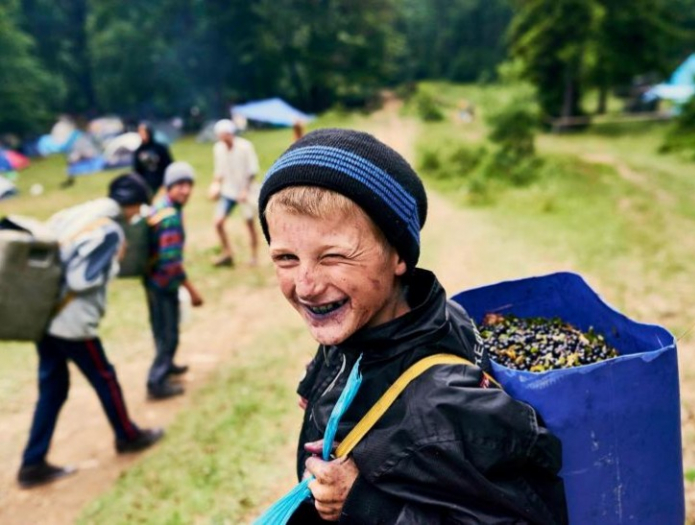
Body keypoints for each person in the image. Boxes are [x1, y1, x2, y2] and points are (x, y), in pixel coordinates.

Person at [257, 129, 569, 524]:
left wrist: (366, 503)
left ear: (399, 256)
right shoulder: (385, 317)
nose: (306, 285)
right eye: (285, 258)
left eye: (333, 256)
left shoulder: (448, 407)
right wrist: (321, 379)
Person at [17, 174, 164, 489]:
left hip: (46, 314)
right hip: (72, 323)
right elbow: (82, 280)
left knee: (53, 388)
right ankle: (127, 435)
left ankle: (32, 463)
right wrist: (115, 261)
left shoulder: (79, 212)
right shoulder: (109, 230)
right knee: (105, 378)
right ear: (132, 203)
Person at [145, 162, 203, 400]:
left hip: (151, 281)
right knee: (169, 333)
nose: (186, 190)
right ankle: (156, 381)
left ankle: (167, 366)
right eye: (180, 185)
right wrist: (192, 291)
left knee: (161, 329)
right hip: (162, 285)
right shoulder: (169, 217)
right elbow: (171, 264)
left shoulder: (161, 206)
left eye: (189, 185)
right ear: (168, 186)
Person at [210, 119, 260, 267]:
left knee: (250, 224)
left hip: (246, 190)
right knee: (218, 222)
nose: (224, 139)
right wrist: (215, 186)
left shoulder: (245, 147)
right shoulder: (218, 149)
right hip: (229, 191)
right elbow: (219, 171)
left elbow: (252, 171)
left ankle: (254, 256)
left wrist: (244, 190)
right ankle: (227, 253)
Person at [133, 122, 173, 195]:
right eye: (140, 133)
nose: (142, 135)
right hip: (147, 186)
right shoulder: (138, 151)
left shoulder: (160, 148)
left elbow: (169, 165)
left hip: (162, 184)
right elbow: (137, 171)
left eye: (144, 132)